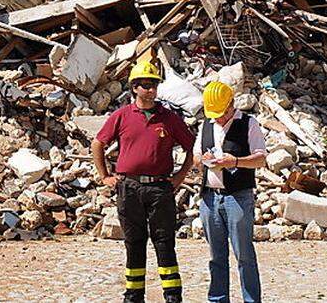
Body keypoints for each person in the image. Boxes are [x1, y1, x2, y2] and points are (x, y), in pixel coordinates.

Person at [93, 55, 196, 303]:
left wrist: (180, 176)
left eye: (154, 85)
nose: (151, 90)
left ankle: (172, 296)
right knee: (134, 242)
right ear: (134, 87)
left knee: (164, 242)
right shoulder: (122, 115)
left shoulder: (169, 118)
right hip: (129, 187)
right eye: (146, 85)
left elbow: (192, 148)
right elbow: (98, 143)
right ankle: (134, 296)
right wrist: (105, 176)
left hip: (160, 188)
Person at [197, 80, 267, 303]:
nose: (218, 118)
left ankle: (251, 300)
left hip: (238, 197)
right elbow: (196, 155)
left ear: (231, 105)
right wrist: (204, 160)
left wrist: (235, 161)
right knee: (216, 256)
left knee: (244, 255)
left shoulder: (248, 123)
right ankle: (217, 299)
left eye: (222, 113)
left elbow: (261, 158)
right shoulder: (206, 125)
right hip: (210, 198)